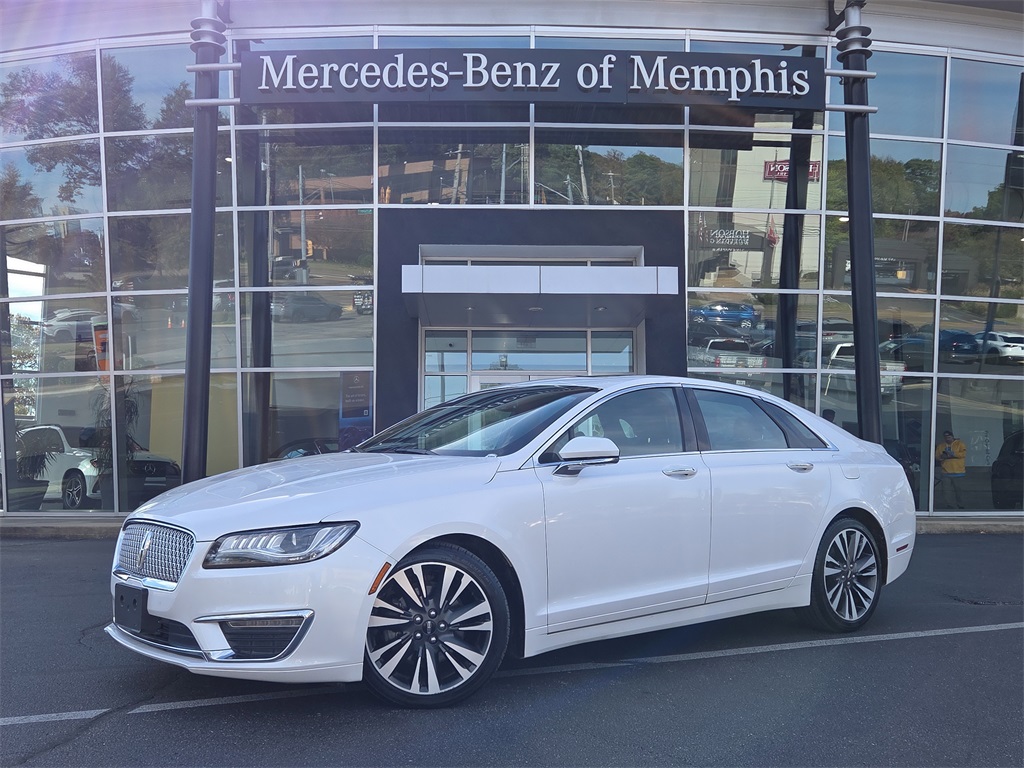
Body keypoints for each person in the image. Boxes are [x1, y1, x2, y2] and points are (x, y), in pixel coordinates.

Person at [935, 430, 967, 509]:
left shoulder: (960, 444)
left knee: (959, 490)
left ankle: (961, 505)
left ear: (952, 437)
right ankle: (949, 505)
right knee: (946, 491)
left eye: (949, 437)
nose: (948, 439)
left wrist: (952, 454)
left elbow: (963, 454)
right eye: (946, 437)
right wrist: (942, 457)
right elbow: (937, 457)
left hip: (958, 471)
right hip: (945, 472)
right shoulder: (941, 446)